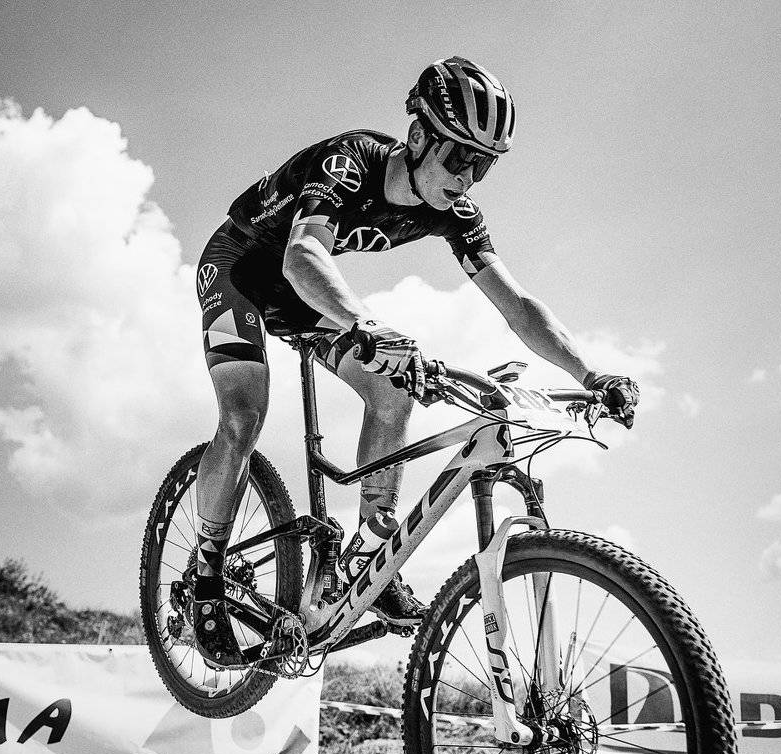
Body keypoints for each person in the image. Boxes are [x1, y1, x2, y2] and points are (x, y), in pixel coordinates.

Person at [191, 56, 639, 666]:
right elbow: (301, 256)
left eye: (483, 165)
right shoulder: (350, 161)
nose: (468, 178)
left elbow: (516, 304)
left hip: (302, 295)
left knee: (393, 388)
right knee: (244, 415)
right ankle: (206, 572)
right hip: (241, 268)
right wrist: (367, 327)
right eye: (459, 158)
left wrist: (591, 374)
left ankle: (367, 556)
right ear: (420, 136)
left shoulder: (455, 212)